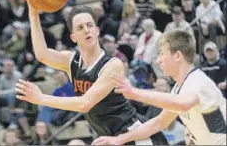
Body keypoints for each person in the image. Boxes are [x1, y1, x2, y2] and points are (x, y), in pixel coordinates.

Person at [15, 0, 168, 145]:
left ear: (97, 30)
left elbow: (85, 104)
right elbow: (42, 55)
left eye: (89, 25)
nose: (86, 30)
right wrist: (33, 13)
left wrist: (41, 98)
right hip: (108, 137)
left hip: (134, 135)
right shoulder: (71, 61)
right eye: (80, 27)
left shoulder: (113, 64)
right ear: (73, 37)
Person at [92, 30, 226, 145]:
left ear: (178, 56)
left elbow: (182, 104)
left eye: (162, 53)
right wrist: (119, 139)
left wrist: (134, 92)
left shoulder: (197, 82)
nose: (158, 60)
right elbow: (159, 122)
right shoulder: (180, 88)